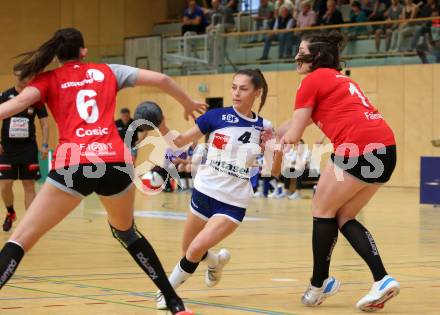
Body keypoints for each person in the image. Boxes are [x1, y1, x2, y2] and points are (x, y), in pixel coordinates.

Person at [0, 28, 206, 315]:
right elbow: (162, 79)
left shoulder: (48, 79)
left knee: (19, 240)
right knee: (127, 233)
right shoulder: (107, 71)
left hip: (74, 164)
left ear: (57, 55)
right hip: (115, 164)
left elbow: (15, 105)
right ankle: (174, 302)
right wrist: (188, 103)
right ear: (83, 51)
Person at [272, 31, 400, 311]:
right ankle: (382, 279)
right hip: (386, 148)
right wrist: (269, 132)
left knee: (321, 209)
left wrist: (274, 146)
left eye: (301, 50)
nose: (297, 56)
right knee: (343, 216)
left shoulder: (311, 80)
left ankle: (319, 284)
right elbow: (297, 122)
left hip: (358, 148)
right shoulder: (338, 79)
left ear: (315, 56)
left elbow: (293, 134)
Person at [154, 69, 273, 309]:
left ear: (257, 92)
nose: (236, 93)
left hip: (233, 202)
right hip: (204, 191)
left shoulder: (265, 127)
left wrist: (274, 149)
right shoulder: (216, 116)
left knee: (197, 247)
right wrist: (162, 125)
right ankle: (216, 262)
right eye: (234, 87)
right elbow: (179, 143)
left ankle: (167, 293)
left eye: (243, 88)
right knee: (188, 249)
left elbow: (272, 170)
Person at [0, 75, 49, 232]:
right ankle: (10, 212)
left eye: (27, 76)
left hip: (28, 148)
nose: (24, 78)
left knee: (29, 185)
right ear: (15, 76)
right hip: (7, 149)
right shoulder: (5, 96)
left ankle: (29, 223)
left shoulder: (35, 97)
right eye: (21, 75)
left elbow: (44, 123)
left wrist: (45, 145)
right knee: (5, 185)